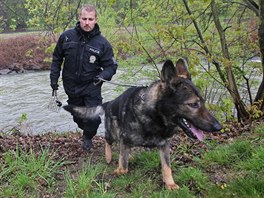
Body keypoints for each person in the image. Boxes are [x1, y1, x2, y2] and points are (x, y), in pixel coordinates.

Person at [50, 4, 118, 151]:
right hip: (71, 86)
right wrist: (53, 80)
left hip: (92, 86)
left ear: (96, 20)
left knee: (93, 119)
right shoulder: (66, 37)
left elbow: (111, 67)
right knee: (79, 117)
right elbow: (56, 59)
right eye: (84, 19)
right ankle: (85, 129)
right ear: (79, 18)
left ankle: (88, 137)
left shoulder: (103, 43)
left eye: (90, 19)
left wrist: (102, 76)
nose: (87, 22)